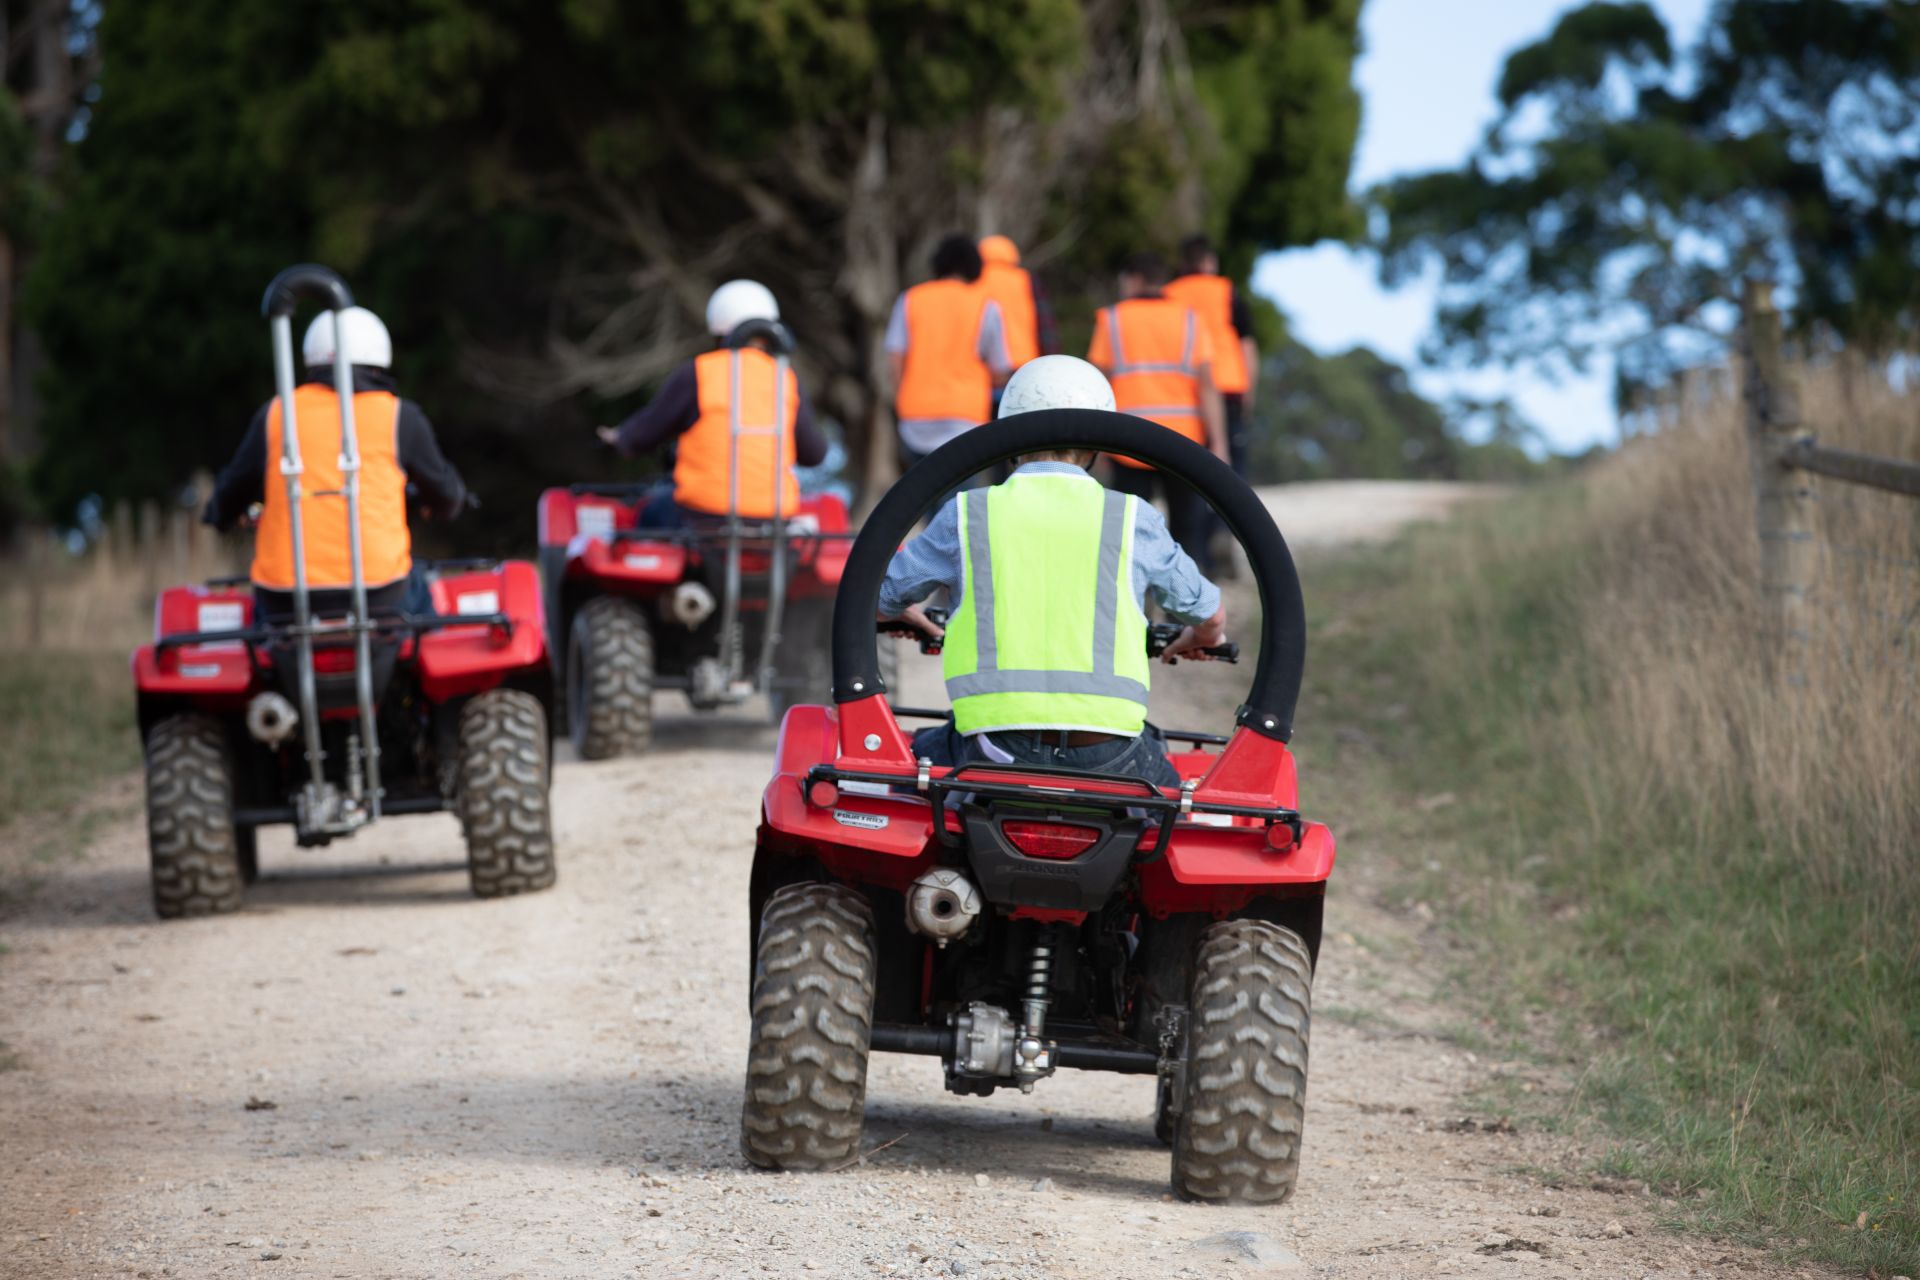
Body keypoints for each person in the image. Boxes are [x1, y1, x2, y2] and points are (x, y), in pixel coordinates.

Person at [877, 355, 1229, 790]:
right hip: (1109, 750)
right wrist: (1201, 638)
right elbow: (1209, 614)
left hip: (989, 749)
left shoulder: (967, 513)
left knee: (898, 781)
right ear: (1096, 446)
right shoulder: (1130, 516)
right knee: (1179, 809)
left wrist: (906, 614)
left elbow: (880, 595)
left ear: (1008, 438)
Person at [204, 305, 465, 619]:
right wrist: (436, 505)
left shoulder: (276, 415)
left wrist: (220, 514)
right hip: (380, 594)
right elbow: (449, 496)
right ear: (379, 362)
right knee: (423, 594)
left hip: (284, 600)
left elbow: (233, 489)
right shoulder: (399, 416)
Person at [597, 280, 828, 529]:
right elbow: (814, 454)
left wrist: (620, 438)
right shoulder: (787, 380)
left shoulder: (698, 373)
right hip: (773, 521)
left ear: (718, 330)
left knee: (648, 514)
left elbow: (645, 432)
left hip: (701, 515)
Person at [1086, 251, 1227, 573]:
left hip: (1126, 442)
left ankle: (1137, 611)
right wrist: (1218, 442)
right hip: (1183, 442)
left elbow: (1097, 382)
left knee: (1128, 536)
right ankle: (1185, 616)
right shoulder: (1191, 320)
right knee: (1187, 533)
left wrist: (1094, 443)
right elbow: (1207, 385)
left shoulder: (1113, 319)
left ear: (1133, 279)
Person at [888, 233, 1015, 470]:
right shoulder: (986, 306)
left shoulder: (910, 299)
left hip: (916, 416)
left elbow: (895, 360)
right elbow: (1000, 370)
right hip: (965, 416)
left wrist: (901, 398)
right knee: (959, 500)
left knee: (918, 497)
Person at [1164, 234, 1259, 476]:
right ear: (1210, 261)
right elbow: (1246, 346)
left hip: (1185, 393)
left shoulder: (1168, 294)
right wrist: (1249, 391)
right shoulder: (1227, 291)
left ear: (1182, 263)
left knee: (1191, 467)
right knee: (1231, 470)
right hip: (1227, 387)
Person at [977, 234, 1056, 375]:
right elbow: (1045, 325)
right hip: (1025, 363)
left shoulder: (975, 281)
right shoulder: (1027, 280)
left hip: (989, 367)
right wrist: (1051, 360)